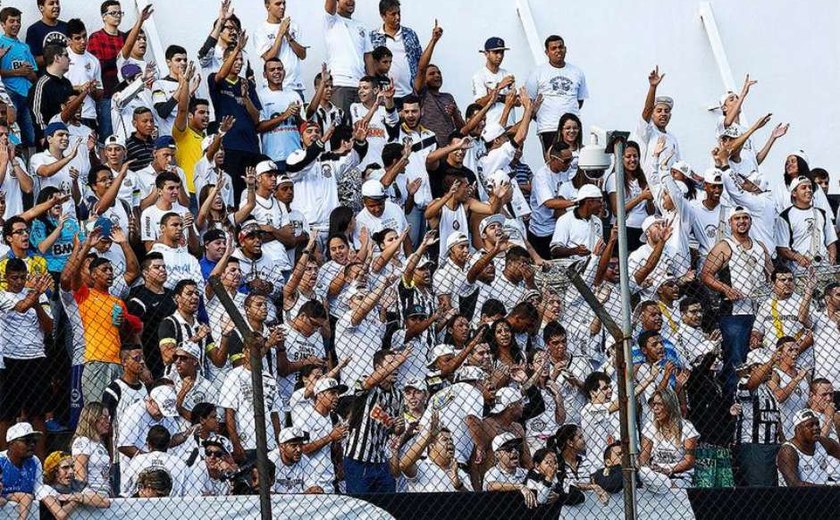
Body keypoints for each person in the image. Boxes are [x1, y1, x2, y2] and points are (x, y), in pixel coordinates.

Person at [701, 206, 772, 394]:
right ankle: (732, 400)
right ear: (730, 223)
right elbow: (706, 275)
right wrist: (726, 289)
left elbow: (770, 274)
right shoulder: (725, 246)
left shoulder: (759, 246)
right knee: (736, 358)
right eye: (737, 218)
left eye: (745, 218)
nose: (742, 222)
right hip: (735, 313)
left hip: (759, 310)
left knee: (759, 356)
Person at [0, 259, 52, 457]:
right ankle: (4, 460)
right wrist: (36, 294)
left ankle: (38, 460)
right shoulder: (2, 296)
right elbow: (22, 307)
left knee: (38, 414)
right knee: (6, 414)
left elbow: (48, 328)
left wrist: (37, 303)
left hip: (36, 357)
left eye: (22, 277)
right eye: (14, 278)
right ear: (6, 278)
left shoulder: (39, 297)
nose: (18, 282)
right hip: (11, 359)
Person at [218, 334, 283, 463]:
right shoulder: (234, 375)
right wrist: (236, 444)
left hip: (269, 443)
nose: (256, 353)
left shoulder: (268, 378)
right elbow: (229, 413)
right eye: (252, 349)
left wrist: (278, 441)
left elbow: (274, 413)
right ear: (244, 351)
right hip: (247, 443)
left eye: (259, 349)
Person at [525, 35, 588, 152]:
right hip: (549, 127)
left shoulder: (577, 72)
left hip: (572, 128)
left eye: (560, 47)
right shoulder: (537, 73)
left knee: (575, 160)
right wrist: (541, 118)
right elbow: (529, 102)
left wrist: (569, 119)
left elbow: (579, 100)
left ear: (565, 49)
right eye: (553, 48)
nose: (558, 51)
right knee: (553, 163)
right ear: (547, 52)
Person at [732, 347, 782, 487]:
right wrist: (772, 360)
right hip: (753, 445)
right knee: (759, 488)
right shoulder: (744, 381)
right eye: (765, 365)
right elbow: (749, 387)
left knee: (772, 488)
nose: (770, 369)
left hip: (772, 444)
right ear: (754, 367)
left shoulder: (768, 387)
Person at [639, 388, 699, 488]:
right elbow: (644, 457)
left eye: (660, 404)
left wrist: (668, 470)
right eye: (654, 404)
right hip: (656, 475)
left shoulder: (687, 428)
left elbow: (689, 461)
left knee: (667, 487)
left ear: (670, 406)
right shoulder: (650, 427)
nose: (655, 408)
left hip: (679, 475)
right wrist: (649, 470)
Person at [399, 410, 472, 492]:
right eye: (445, 440)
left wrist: (458, 486)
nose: (450, 442)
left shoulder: (460, 472)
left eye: (451, 440)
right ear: (431, 445)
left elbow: (473, 502)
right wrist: (429, 436)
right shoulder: (422, 466)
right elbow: (403, 465)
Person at [323, 0, 374, 114]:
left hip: (361, 86)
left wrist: (372, 83)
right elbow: (329, 6)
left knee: (361, 127)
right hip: (340, 84)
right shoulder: (331, 20)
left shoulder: (361, 26)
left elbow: (368, 56)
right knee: (341, 127)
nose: (351, 2)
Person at [0, 7, 38, 147]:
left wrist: (29, 72)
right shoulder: (0, 42)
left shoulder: (24, 47)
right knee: (11, 132)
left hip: (26, 95)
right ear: (3, 24)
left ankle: (28, 165)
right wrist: (17, 72)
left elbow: (34, 76)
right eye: (12, 21)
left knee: (30, 135)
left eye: (18, 21)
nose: (16, 24)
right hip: (9, 95)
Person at [120, 425, 194, 497]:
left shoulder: (138, 461)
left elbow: (124, 490)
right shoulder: (179, 464)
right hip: (172, 508)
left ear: (148, 443)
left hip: (139, 507)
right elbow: (191, 494)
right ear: (168, 444)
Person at [255, 0, 307, 100]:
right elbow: (269, 58)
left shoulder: (294, 26)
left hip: (295, 87)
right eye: (278, 4)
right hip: (273, 89)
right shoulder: (260, 30)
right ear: (267, 6)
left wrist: (288, 36)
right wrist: (280, 33)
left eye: (284, 3)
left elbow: (303, 55)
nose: (282, 7)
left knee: (299, 115)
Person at [256, 58, 302, 170]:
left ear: (284, 72)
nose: (277, 72)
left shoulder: (294, 95)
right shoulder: (260, 96)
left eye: (279, 69)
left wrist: (297, 116)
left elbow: (303, 126)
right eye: (272, 69)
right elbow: (259, 127)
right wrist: (284, 116)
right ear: (265, 74)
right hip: (274, 157)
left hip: (296, 154)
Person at [777, 409, 840, 487]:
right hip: (798, 496)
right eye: (810, 425)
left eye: (817, 424)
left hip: (823, 494)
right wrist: (828, 488)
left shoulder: (823, 442)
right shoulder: (788, 451)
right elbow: (794, 485)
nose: (816, 428)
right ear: (798, 429)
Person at [37, 451, 110, 518]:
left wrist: (75, 496)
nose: (71, 471)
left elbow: (105, 502)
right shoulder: (45, 488)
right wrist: (80, 498)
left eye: (72, 466)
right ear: (54, 471)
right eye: (65, 467)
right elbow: (61, 515)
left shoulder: (76, 484)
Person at [482, 432, 536, 509]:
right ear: (497, 454)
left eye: (516, 447)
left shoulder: (524, 472)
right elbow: (491, 485)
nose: (514, 451)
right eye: (508, 449)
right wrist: (519, 487)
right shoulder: (493, 472)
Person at [0, 422, 42, 519]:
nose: (32, 444)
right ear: (11, 443)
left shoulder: (34, 461)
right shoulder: (1, 461)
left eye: (34, 441)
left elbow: (38, 491)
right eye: (27, 441)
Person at [70, 402, 111, 497]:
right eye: (104, 418)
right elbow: (80, 475)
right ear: (92, 418)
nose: (108, 421)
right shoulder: (82, 441)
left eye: (108, 418)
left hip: (104, 493)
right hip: (91, 494)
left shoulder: (100, 444)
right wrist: (90, 496)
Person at [472, 37, 515, 127]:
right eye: (496, 52)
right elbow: (479, 104)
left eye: (502, 52)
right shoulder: (479, 76)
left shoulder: (508, 74)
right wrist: (499, 87)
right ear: (486, 54)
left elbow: (517, 101)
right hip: (491, 129)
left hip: (510, 126)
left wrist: (496, 96)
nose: (500, 56)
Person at [30, 44, 74, 132]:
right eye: (66, 55)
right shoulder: (41, 84)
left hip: (68, 134)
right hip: (51, 138)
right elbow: (37, 114)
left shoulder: (67, 83)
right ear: (57, 58)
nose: (69, 59)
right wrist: (44, 135)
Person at [268, 427, 324, 494]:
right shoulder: (271, 460)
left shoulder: (304, 459)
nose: (299, 450)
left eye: (300, 445)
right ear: (282, 447)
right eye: (293, 445)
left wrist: (314, 489)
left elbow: (313, 486)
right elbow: (269, 493)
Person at [25, 0, 67, 68]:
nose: (56, 6)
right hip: (47, 76)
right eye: (51, 3)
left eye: (57, 3)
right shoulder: (33, 30)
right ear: (41, 8)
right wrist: (55, 56)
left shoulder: (66, 26)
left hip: (67, 75)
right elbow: (32, 60)